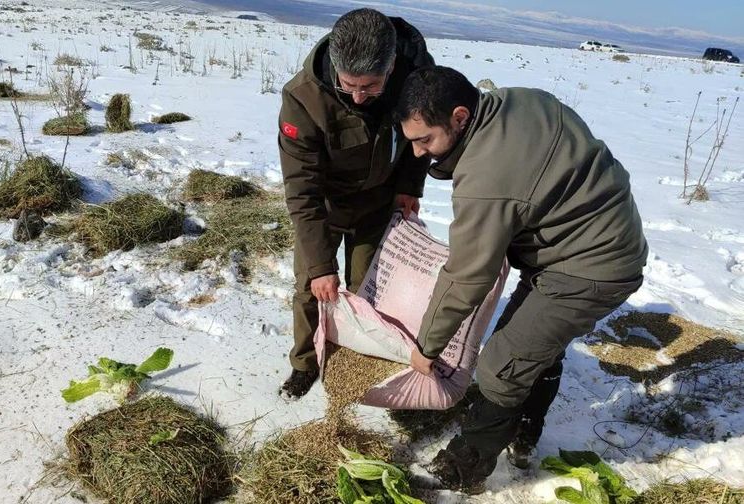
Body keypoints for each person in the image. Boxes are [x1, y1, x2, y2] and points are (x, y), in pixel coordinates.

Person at [395, 66, 648, 493]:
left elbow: (468, 274)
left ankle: (464, 470)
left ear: (459, 117)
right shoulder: (517, 101)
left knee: (501, 365)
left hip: (592, 265)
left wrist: (427, 345)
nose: (419, 153)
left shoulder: (485, 177)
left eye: (425, 140)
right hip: (588, 242)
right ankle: (525, 434)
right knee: (532, 345)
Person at [278, 8, 434, 400]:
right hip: (325, 207)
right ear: (334, 64)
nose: (359, 96)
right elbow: (302, 189)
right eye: (349, 86)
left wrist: (410, 187)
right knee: (313, 288)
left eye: (372, 86)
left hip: (379, 202)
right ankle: (304, 363)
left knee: (367, 287)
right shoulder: (303, 100)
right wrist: (319, 266)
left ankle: (353, 356)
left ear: (392, 64)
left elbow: (423, 138)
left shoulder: (416, 83)